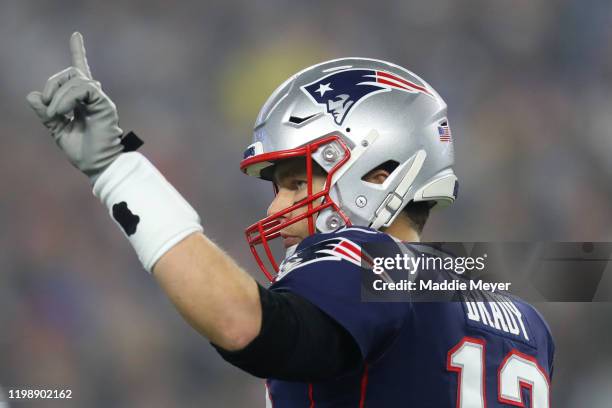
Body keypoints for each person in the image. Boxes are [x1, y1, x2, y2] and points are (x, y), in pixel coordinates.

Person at [27, 32, 554, 407]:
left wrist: (116, 167)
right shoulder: (524, 317)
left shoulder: (373, 262)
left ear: (380, 171)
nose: (277, 209)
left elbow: (241, 322)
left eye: (297, 183)